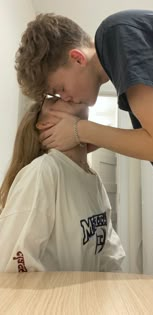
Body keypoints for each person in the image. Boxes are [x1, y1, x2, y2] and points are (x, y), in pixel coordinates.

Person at [15, 10, 153, 314]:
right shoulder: (44, 173)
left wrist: (81, 130)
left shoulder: (115, 32)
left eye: (61, 90)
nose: (67, 100)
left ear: (78, 58)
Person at [0, 97, 125, 272]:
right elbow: (13, 266)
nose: (68, 95)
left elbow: (108, 252)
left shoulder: (92, 178)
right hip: (52, 299)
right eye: (55, 99)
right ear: (44, 125)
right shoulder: (43, 171)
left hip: (89, 297)